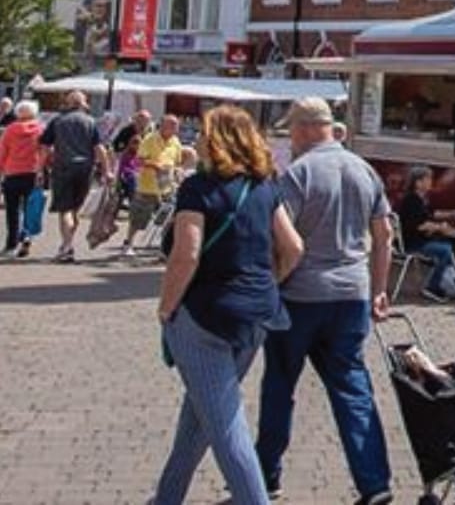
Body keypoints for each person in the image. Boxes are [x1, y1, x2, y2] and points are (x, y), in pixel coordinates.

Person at [152, 106, 303, 505]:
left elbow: (187, 253)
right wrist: (268, 283)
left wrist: (167, 307)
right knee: (202, 413)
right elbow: (293, 247)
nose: (196, 138)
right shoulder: (265, 186)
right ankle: (167, 497)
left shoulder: (197, 188)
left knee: (225, 425)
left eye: (201, 132)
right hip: (257, 314)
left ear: (216, 139)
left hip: (205, 315)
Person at [256, 97, 394, 505]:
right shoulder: (363, 169)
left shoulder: (298, 174)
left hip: (300, 295)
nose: (291, 138)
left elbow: (283, 240)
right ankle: (374, 482)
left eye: (292, 130)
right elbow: (384, 235)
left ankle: (266, 475)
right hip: (351, 294)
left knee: (280, 384)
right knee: (353, 388)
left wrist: (272, 283)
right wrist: (379, 288)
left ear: (303, 129)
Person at [39, 89, 109, 262]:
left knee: (65, 210)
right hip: (85, 168)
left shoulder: (58, 121)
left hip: (63, 167)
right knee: (75, 209)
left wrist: (39, 168)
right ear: (84, 104)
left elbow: (45, 148)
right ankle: (66, 244)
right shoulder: (90, 122)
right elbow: (100, 148)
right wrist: (107, 170)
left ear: (68, 103)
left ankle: (67, 246)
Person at [395, 166, 455, 303]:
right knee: (445, 250)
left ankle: (451, 280)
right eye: (427, 179)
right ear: (418, 183)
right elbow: (420, 225)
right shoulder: (412, 201)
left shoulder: (420, 199)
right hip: (412, 243)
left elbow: (432, 214)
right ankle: (432, 287)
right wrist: (440, 227)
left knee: (445, 246)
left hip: (418, 239)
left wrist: (454, 213)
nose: (430, 182)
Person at [121, 113, 183, 257]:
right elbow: (138, 161)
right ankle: (128, 244)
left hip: (167, 187)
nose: (175, 128)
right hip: (147, 185)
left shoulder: (175, 141)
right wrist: (155, 165)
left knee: (167, 219)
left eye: (176, 125)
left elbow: (178, 162)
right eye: (172, 125)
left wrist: (178, 172)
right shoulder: (150, 139)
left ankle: (164, 247)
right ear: (163, 125)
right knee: (138, 217)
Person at [0, 99, 44, 258]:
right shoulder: (39, 129)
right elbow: (46, 151)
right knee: (29, 208)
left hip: (12, 172)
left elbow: (2, 152)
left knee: (12, 210)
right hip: (32, 172)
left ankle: (11, 244)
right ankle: (26, 237)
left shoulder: (10, 129)